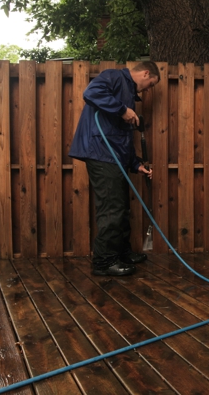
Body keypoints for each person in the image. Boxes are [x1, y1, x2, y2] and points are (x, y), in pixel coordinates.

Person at [69, 61, 160, 276]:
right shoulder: (115, 77)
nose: (148, 90)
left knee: (121, 207)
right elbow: (91, 92)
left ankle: (121, 253)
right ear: (146, 73)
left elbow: (121, 138)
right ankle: (104, 262)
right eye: (151, 84)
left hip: (112, 155)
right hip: (101, 153)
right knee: (112, 208)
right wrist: (121, 110)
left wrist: (136, 164)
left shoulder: (127, 92)